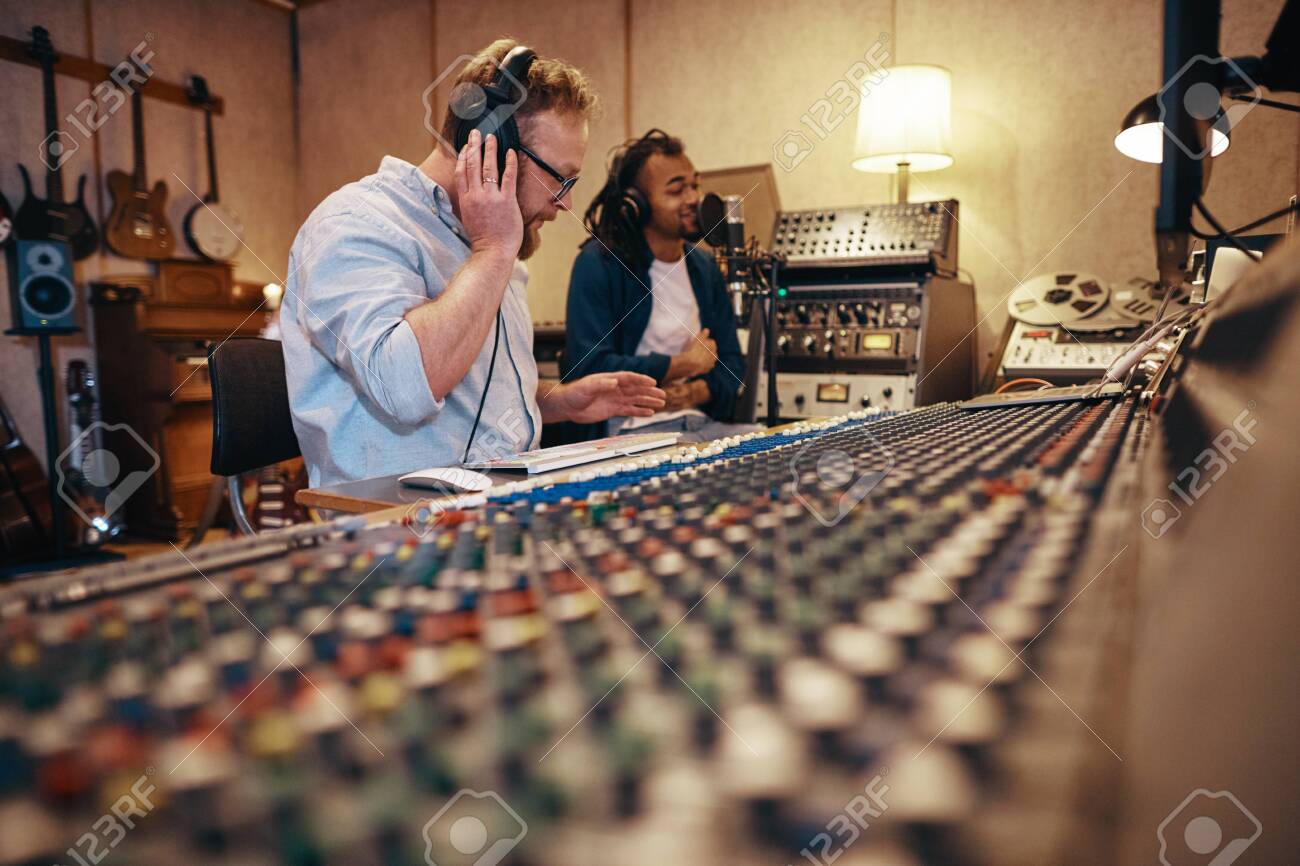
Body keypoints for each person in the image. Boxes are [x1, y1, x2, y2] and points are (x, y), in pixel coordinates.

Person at [280, 40, 665, 486]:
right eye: (561, 179)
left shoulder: (496, 243)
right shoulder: (354, 224)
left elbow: (470, 395)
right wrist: (493, 252)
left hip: (500, 508)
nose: (567, 203)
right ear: (490, 149)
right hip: (396, 528)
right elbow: (404, 388)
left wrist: (558, 402)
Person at [561, 129, 756, 443]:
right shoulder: (598, 263)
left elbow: (732, 362)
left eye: (695, 185)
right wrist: (681, 365)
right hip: (629, 432)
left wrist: (696, 390)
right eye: (676, 190)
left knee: (775, 450)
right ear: (635, 204)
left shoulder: (704, 267)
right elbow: (589, 366)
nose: (694, 199)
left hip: (699, 423)